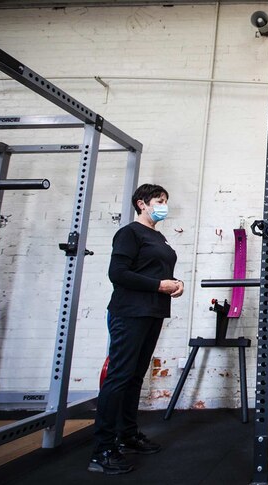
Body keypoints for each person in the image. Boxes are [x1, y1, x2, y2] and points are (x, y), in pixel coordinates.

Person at [88, 183, 183, 475]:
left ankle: (127, 435)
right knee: (118, 377)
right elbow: (118, 274)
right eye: (158, 200)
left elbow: (156, 272)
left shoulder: (160, 238)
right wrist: (158, 285)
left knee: (134, 377)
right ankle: (102, 449)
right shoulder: (129, 233)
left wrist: (175, 283)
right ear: (141, 203)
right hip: (129, 312)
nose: (163, 205)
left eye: (165, 200)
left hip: (153, 312)